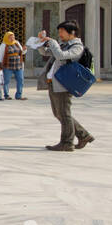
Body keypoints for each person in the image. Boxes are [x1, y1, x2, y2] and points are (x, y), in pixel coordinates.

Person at [29, 21, 95, 152]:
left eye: (62, 32)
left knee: (64, 114)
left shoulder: (77, 47)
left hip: (64, 85)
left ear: (72, 33)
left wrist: (52, 42)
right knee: (59, 113)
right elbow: (46, 53)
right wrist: (41, 43)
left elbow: (60, 56)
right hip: (54, 82)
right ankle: (83, 135)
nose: (60, 34)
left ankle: (67, 143)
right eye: (59, 32)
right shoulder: (63, 45)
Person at [1, 31, 26, 99]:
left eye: (13, 37)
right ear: (6, 38)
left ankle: (19, 95)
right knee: (6, 81)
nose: (12, 38)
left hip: (18, 65)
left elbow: (21, 52)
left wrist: (24, 50)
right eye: (10, 37)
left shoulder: (17, 43)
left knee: (20, 80)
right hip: (8, 65)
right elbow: (1, 55)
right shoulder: (4, 45)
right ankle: (6, 95)